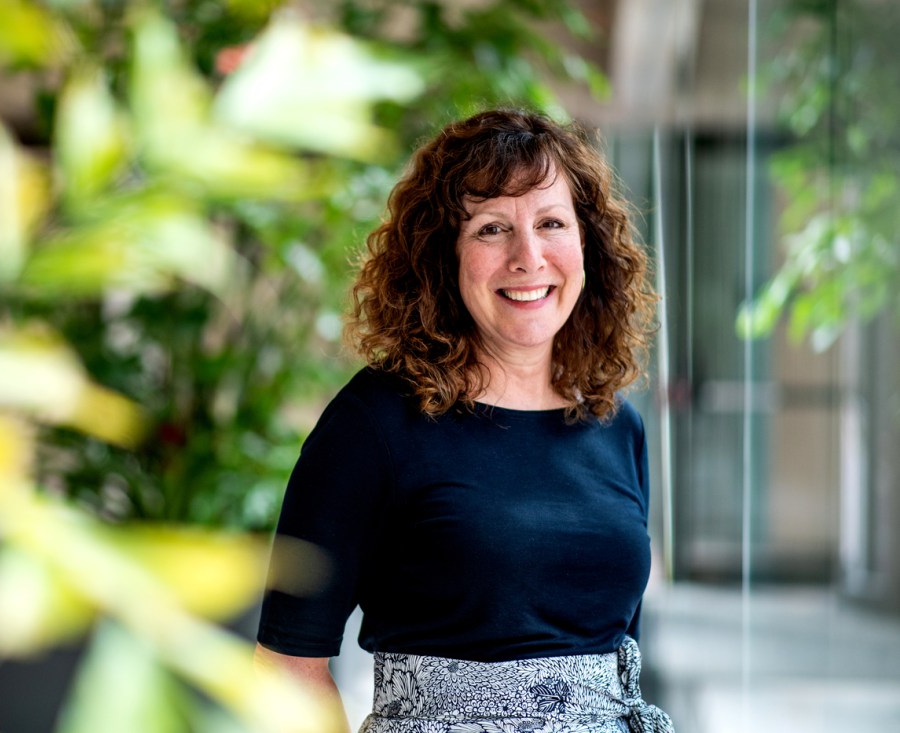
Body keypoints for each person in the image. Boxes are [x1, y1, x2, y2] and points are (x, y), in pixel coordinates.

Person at [254, 108, 674, 733]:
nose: (527, 257)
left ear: (586, 244)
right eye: (491, 229)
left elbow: (623, 653)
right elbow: (288, 665)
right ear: (441, 255)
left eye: (551, 223)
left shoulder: (617, 425)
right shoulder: (373, 424)